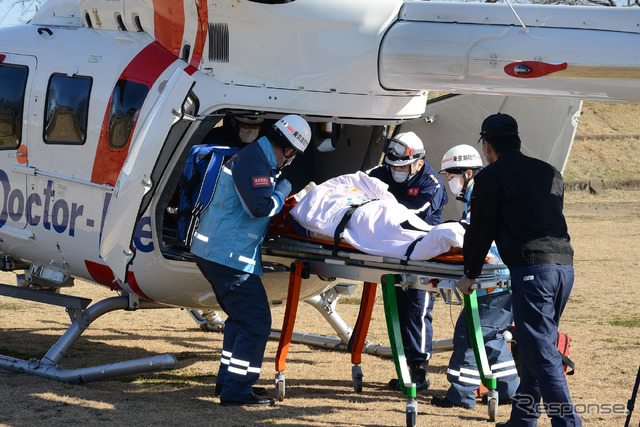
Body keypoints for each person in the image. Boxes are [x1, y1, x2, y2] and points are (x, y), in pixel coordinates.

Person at [457, 113, 580, 426]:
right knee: (534, 345)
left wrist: (470, 273)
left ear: (487, 145)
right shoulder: (548, 171)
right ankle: (523, 419)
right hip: (564, 267)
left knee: (540, 352)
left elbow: (481, 229)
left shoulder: (492, 176)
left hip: (533, 271)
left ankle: (568, 423)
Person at [190, 114, 311, 407]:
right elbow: (259, 207)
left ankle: (229, 383)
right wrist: (285, 190)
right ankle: (237, 390)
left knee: (241, 321)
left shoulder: (258, 157)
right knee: (256, 322)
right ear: (290, 150)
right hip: (227, 256)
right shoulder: (254, 160)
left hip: (220, 252)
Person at [432, 144, 518, 409]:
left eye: (452, 175)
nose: (450, 182)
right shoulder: (481, 195)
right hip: (501, 280)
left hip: (495, 282)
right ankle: (509, 389)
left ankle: (461, 395)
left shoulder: (479, 197)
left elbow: (481, 240)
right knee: (489, 335)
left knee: (468, 333)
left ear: (468, 173)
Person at [368, 131, 448, 392]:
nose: (396, 171)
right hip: (391, 253)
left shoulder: (432, 183)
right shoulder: (382, 173)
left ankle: (419, 370)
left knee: (416, 311)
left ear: (419, 162)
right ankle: (404, 368)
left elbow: (414, 213)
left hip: (421, 257)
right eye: (392, 166)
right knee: (397, 312)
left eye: (402, 166)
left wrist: (382, 204)